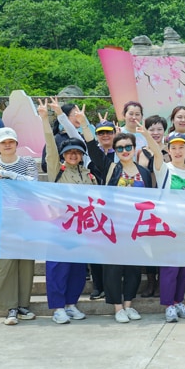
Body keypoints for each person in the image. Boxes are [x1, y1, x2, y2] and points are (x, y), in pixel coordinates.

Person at [81, 113, 161, 323]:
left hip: (136, 228)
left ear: (134, 148)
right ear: (115, 151)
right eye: (120, 148)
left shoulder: (144, 172)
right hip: (114, 227)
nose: (124, 151)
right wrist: (84, 124)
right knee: (113, 268)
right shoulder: (111, 168)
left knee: (133, 268)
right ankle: (117, 307)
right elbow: (92, 148)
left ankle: (129, 305)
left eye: (128, 147)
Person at [38, 98, 97, 324]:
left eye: (77, 152)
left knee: (77, 269)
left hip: (81, 228)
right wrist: (45, 119)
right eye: (69, 152)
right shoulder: (57, 171)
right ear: (63, 154)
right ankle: (57, 307)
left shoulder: (88, 174)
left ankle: (71, 303)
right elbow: (50, 147)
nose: (73, 155)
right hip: (59, 227)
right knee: (58, 268)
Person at [0, 127, 39, 325]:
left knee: (26, 265)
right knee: (5, 266)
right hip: (4, 222)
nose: (7, 145)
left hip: (27, 220)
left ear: (16, 143)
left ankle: (23, 305)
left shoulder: (27, 163)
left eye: (11, 141)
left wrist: (8, 174)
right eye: (3, 142)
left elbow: (33, 183)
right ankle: (10, 308)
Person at [158, 132, 185, 323]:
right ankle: (169, 305)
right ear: (168, 150)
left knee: (183, 269)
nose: (177, 151)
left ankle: (178, 300)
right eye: (173, 148)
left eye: (181, 147)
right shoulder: (165, 169)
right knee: (170, 268)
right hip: (169, 227)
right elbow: (155, 152)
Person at [137, 115, 171, 299]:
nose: (156, 133)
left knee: (164, 243)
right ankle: (151, 281)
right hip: (146, 204)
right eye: (152, 129)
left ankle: (162, 281)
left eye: (159, 129)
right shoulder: (140, 153)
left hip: (165, 203)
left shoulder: (170, 150)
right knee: (148, 243)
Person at [88, 119, 116, 300]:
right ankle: (98, 286)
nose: (105, 135)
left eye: (108, 132)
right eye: (101, 133)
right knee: (95, 248)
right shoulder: (90, 158)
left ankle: (112, 286)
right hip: (94, 209)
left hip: (116, 209)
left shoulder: (121, 153)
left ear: (115, 133)